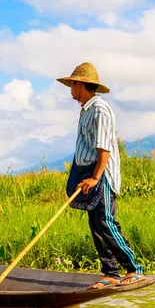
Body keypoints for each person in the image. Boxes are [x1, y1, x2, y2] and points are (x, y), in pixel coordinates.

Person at [57, 62, 144, 289]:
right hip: (89, 174)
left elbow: (103, 148)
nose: (70, 90)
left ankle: (134, 269)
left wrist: (95, 177)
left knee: (106, 222)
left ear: (80, 84)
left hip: (102, 176)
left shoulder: (99, 109)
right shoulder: (86, 109)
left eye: (72, 85)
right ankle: (110, 272)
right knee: (96, 226)